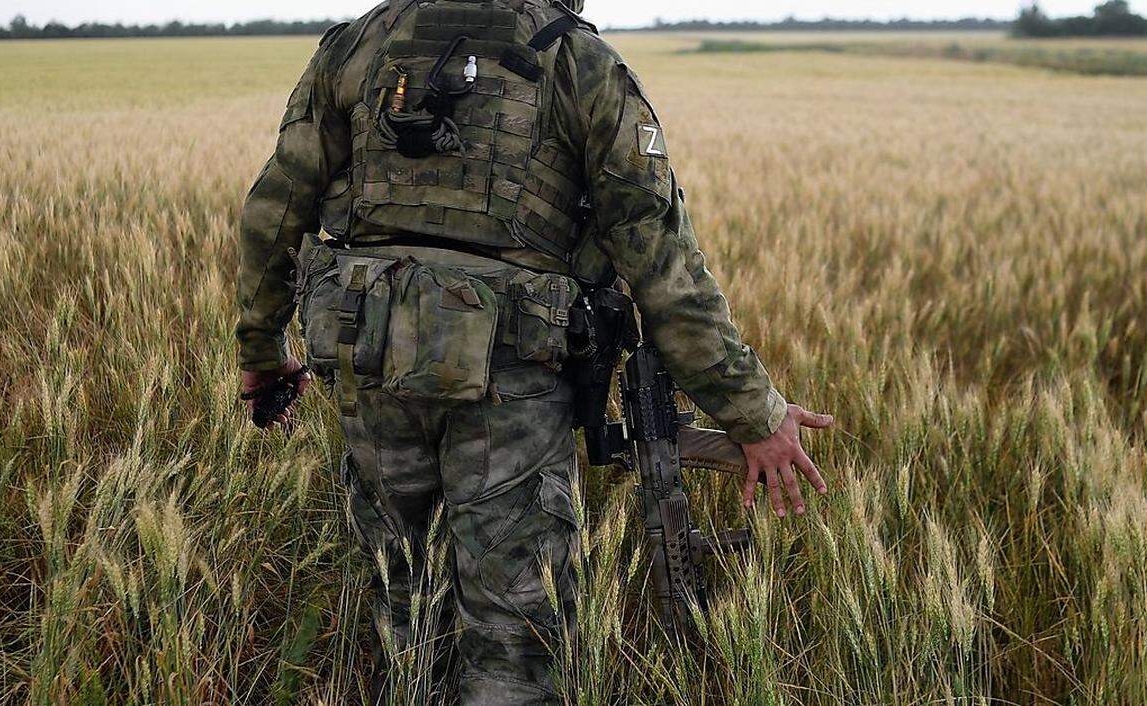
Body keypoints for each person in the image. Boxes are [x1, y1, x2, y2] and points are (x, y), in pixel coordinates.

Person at [234, 1, 834, 702]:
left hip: (368, 357)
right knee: (517, 629)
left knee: (401, 605)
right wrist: (754, 414)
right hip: (508, 378)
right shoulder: (581, 63)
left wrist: (262, 346)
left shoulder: (360, 43)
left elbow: (274, 212)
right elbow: (663, 266)